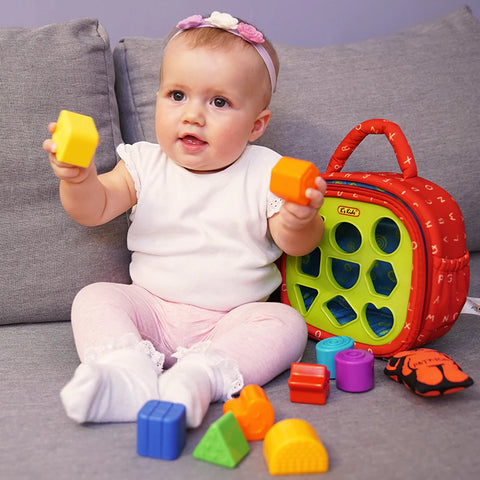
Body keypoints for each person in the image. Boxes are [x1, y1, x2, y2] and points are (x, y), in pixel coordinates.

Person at [43, 11, 327, 428]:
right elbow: (95, 208)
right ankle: (126, 371)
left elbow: (296, 243)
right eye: (177, 95)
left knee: (285, 323)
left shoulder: (267, 171)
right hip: (151, 310)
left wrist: (300, 217)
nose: (193, 115)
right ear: (157, 96)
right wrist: (79, 178)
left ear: (256, 125)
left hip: (233, 318)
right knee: (94, 297)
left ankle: (201, 377)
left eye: (219, 102)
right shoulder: (144, 162)